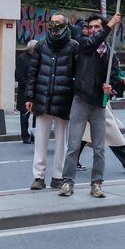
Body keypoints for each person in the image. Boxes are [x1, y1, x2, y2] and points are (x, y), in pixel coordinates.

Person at [60, 13, 122, 198]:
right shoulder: (83, 44)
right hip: (80, 100)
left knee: (99, 148)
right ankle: (67, 182)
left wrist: (111, 88)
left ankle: (97, 183)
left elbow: (115, 78)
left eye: (97, 27)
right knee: (73, 146)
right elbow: (93, 42)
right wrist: (109, 25)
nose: (93, 30)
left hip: (98, 104)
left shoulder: (110, 53)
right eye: (91, 27)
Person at [25, 14, 79, 190]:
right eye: (52, 23)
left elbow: (78, 75)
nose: (53, 25)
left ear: (65, 25)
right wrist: (29, 97)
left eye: (57, 23)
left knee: (62, 140)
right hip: (43, 97)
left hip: (64, 98)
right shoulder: (42, 44)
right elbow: (33, 72)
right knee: (40, 139)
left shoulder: (73, 46)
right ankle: (38, 177)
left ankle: (58, 176)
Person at [15, 40, 37, 143]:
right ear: (32, 49)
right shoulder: (22, 58)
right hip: (24, 91)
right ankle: (25, 136)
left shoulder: (38, 57)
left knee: (36, 116)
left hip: (36, 91)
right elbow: (19, 76)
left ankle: (35, 135)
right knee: (24, 115)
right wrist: (29, 86)